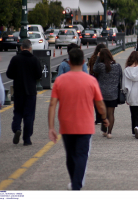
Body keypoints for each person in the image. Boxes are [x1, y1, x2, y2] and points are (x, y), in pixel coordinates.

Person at [49, 48, 109, 190]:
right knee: (81, 155)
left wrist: (51, 127)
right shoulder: (91, 81)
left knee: (70, 156)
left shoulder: (59, 81)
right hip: (85, 125)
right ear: (83, 62)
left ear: (69, 62)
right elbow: (100, 104)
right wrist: (104, 118)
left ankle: (74, 182)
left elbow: (52, 105)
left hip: (66, 125)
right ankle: (77, 185)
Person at [6, 39, 42, 146]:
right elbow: (39, 75)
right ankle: (27, 139)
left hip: (18, 91)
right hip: (30, 91)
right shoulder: (34, 59)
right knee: (29, 115)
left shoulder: (15, 59)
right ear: (30, 48)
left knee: (18, 112)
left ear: (21, 48)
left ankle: (17, 128)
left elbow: (9, 74)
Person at [93, 49, 122, 139]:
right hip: (113, 93)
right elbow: (121, 77)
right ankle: (109, 132)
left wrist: (97, 57)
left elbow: (94, 68)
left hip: (102, 93)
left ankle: (104, 130)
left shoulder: (101, 66)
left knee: (103, 113)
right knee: (111, 113)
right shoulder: (117, 66)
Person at [87, 43, 107, 125]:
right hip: (101, 81)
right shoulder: (103, 59)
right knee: (102, 100)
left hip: (93, 80)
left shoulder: (92, 58)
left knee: (96, 100)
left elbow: (91, 70)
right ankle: (103, 117)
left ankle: (98, 117)